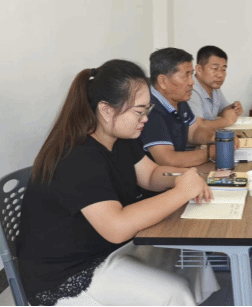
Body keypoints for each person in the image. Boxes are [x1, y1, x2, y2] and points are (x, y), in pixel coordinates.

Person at [19, 60, 219, 306]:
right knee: (173, 292)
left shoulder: (120, 138)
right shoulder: (77, 157)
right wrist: (182, 191)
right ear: (106, 110)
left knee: (188, 254)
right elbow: (117, 227)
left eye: (147, 110)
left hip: (104, 250)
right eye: (138, 111)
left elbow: (151, 175)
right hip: (68, 274)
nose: (145, 118)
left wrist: (185, 176)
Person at [140, 48, 217, 167]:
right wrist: (212, 152)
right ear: (163, 81)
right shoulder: (150, 110)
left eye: (191, 74)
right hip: (158, 177)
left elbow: (193, 132)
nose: (192, 82)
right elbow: (168, 160)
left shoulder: (178, 99)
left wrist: (216, 137)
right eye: (186, 75)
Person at [188, 46, 244, 131]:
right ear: (199, 69)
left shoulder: (214, 87)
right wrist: (227, 121)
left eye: (223, 69)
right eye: (214, 69)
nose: (220, 75)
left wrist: (234, 108)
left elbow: (221, 110)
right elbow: (197, 127)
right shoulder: (190, 90)